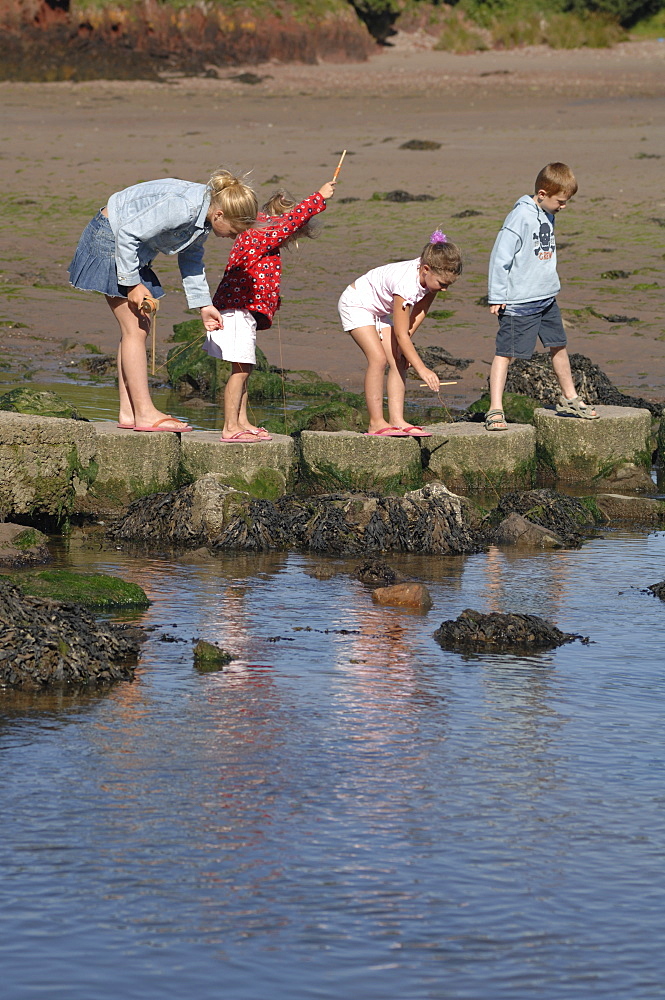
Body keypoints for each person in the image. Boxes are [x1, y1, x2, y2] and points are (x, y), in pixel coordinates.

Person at [69, 169, 258, 432]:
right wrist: (132, 283)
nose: (234, 237)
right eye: (234, 230)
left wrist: (204, 305)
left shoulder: (203, 218)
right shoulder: (183, 207)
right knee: (136, 328)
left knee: (136, 327)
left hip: (131, 249)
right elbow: (127, 233)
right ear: (219, 215)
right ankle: (144, 413)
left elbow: (191, 259)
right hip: (111, 238)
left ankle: (130, 412)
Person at [204, 177, 336, 443]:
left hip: (242, 311)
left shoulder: (259, 238)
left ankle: (241, 421)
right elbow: (291, 222)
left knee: (244, 369)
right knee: (239, 371)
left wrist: (272, 301)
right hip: (235, 311)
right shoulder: (259, 232)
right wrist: (318, 198)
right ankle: (230, 426)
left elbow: (259, 278)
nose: (286, 239)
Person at [485, 161, 598, 431]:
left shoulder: (548, 213)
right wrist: (497, 295)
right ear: (543, 194)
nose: (564, 205)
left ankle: (570, 397)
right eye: (561, 200)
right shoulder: (519, 217)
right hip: (519, 303)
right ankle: (495, 409)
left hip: (547, 299)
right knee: (506, 354)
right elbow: (500, 257)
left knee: (558, 344)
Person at [338, 232, 463, 437]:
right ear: (426, 269)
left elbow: (420, 312)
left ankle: (397, 420)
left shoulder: (429, 279)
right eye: (442, 284)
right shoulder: (405, 285)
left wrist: (402, 346)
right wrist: (422, 369)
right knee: (378, 359)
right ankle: (376, 423)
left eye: (448, 285)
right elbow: (401, 333)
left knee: (398, 358)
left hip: (379, 310)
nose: (445, 289)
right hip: (356, 304)